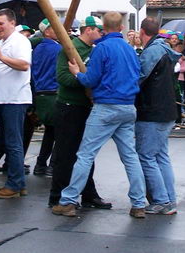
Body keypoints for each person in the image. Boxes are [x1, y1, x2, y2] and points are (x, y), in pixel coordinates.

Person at [52, 11, 147, 218]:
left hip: (106, 106)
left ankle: (67, 201)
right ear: (121, 27)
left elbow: (90, 80)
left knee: (85, 155)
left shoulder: (102, 48)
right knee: (130, 157)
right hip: (128, 106)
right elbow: (138, 74)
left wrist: (77, 72)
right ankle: (139, 203)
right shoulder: (130, 50)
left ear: (104, 28)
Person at [48, 16, 112, 210]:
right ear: (88, 30)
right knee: (65, 154)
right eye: (99, 31)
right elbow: (62, 77)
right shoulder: (68, 49)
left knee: (86, 153)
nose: (101, 34)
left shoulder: (95, 50)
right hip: (69, 106)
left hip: (86, 107)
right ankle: (57, 195)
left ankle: (89, 194)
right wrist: (85, 79)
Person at [136, 17, 181, 215]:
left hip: (152, 111)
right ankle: (169, 198)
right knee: (161, 156)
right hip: (167, 110)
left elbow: (138, 78)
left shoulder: (152, 51)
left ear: (141, 31)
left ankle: (161, 200)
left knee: (146, 156)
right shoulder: (164, 49)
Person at [0, 8, 32, 199]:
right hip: (1, 98)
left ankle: (15, 184)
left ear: (12, 23)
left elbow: (23, 65)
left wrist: (1, 56)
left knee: (13, 142)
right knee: (9, 140)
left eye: (1, 24)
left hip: (14, 98)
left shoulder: (20, 41)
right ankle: (17, 182)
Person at [30, 19, 61, 176]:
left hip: (40, 94)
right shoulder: (58, 49)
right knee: (61, 132)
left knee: (50, 131)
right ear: (46, 31)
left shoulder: (37, 49)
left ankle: (41, 164)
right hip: (53, 93)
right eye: (54, 27)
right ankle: (52, 166)